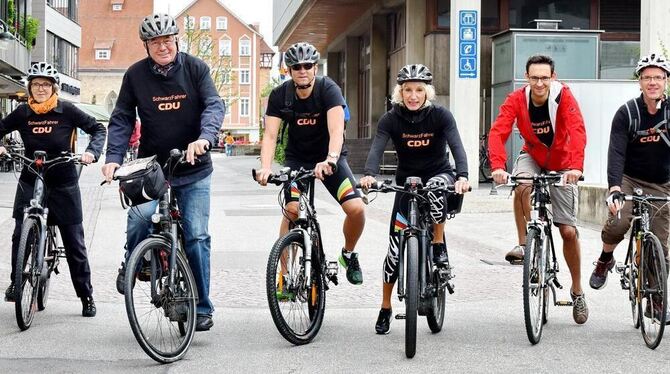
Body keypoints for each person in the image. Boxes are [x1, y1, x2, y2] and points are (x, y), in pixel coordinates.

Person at [101, 13, 225, 331]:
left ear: (176, 41)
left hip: (194, 167)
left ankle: (202, 307)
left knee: (196, 236)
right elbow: (122, 118)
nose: (162, 46)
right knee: (140, 217)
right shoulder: (135, 76)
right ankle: (134, 260)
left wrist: (204, 138)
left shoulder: (196, 69)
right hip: (151, 168)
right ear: (146, 45)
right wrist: (114, 158)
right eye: (155, 42)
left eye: (167, 40)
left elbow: (214, 104)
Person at [359, 64, 470, 334]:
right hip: (407, 182)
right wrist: (369, 175)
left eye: (419, 90)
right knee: (394, 251)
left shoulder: (441, 115)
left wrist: (463, 176)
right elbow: (376, 148)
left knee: (435, 188)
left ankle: (438, 243)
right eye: (407, 90)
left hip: (439, 173)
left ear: (427, 92)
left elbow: (456, 145)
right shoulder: (390, 119)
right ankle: (385, 306)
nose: (413, 95)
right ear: (400, 92)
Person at [488, 54, 589, 324]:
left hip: (562, 161)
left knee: (567, 231)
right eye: (535, 78)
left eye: (545, 77)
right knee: (522, 183)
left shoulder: (563, 97)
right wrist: (497, 166)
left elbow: (578, 130)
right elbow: (498, 132)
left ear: (553, 77)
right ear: (527, 78)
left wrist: (575, 168)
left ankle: (577, 290)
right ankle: (524, 244)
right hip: (532, 155)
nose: (540, 83)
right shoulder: (516, 99)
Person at [255, 42, 366, 285]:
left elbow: (337, 130)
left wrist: (331, 159)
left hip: (330, 158)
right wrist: (265, 167)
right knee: (292, 210)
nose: (302, 70)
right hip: (297, 160)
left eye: (307, 66)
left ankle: (348, 254)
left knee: (356, 208)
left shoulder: (328, 89)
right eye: (296, 67)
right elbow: (271, 136)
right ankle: (284, 275)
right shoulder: (280, 95)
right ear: (289, 70)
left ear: (315, 68)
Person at [1, 62, 106, 317]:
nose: (40, 89)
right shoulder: (23, 112)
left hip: (63, 180)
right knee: (19, 233)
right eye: (36, 84)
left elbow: (97, 129)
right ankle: (17, 281)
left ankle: (86, 295)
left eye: (45, 85)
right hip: (30, 176)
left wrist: (91, 153)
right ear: (29, 87)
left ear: (54, 88)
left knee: (74, 242)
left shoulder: (67, 110)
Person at [589, 53, 670, 321]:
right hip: (630, 180)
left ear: (666, 81)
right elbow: (616, 154)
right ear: (640, 82)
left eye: (658, 77)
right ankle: (605, 259)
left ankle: (656, 299)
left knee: (661, 243)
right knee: (620, 222)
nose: (653, 82)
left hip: (662, 184)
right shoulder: (627, 113)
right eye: (647, 78)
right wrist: (614, 188)